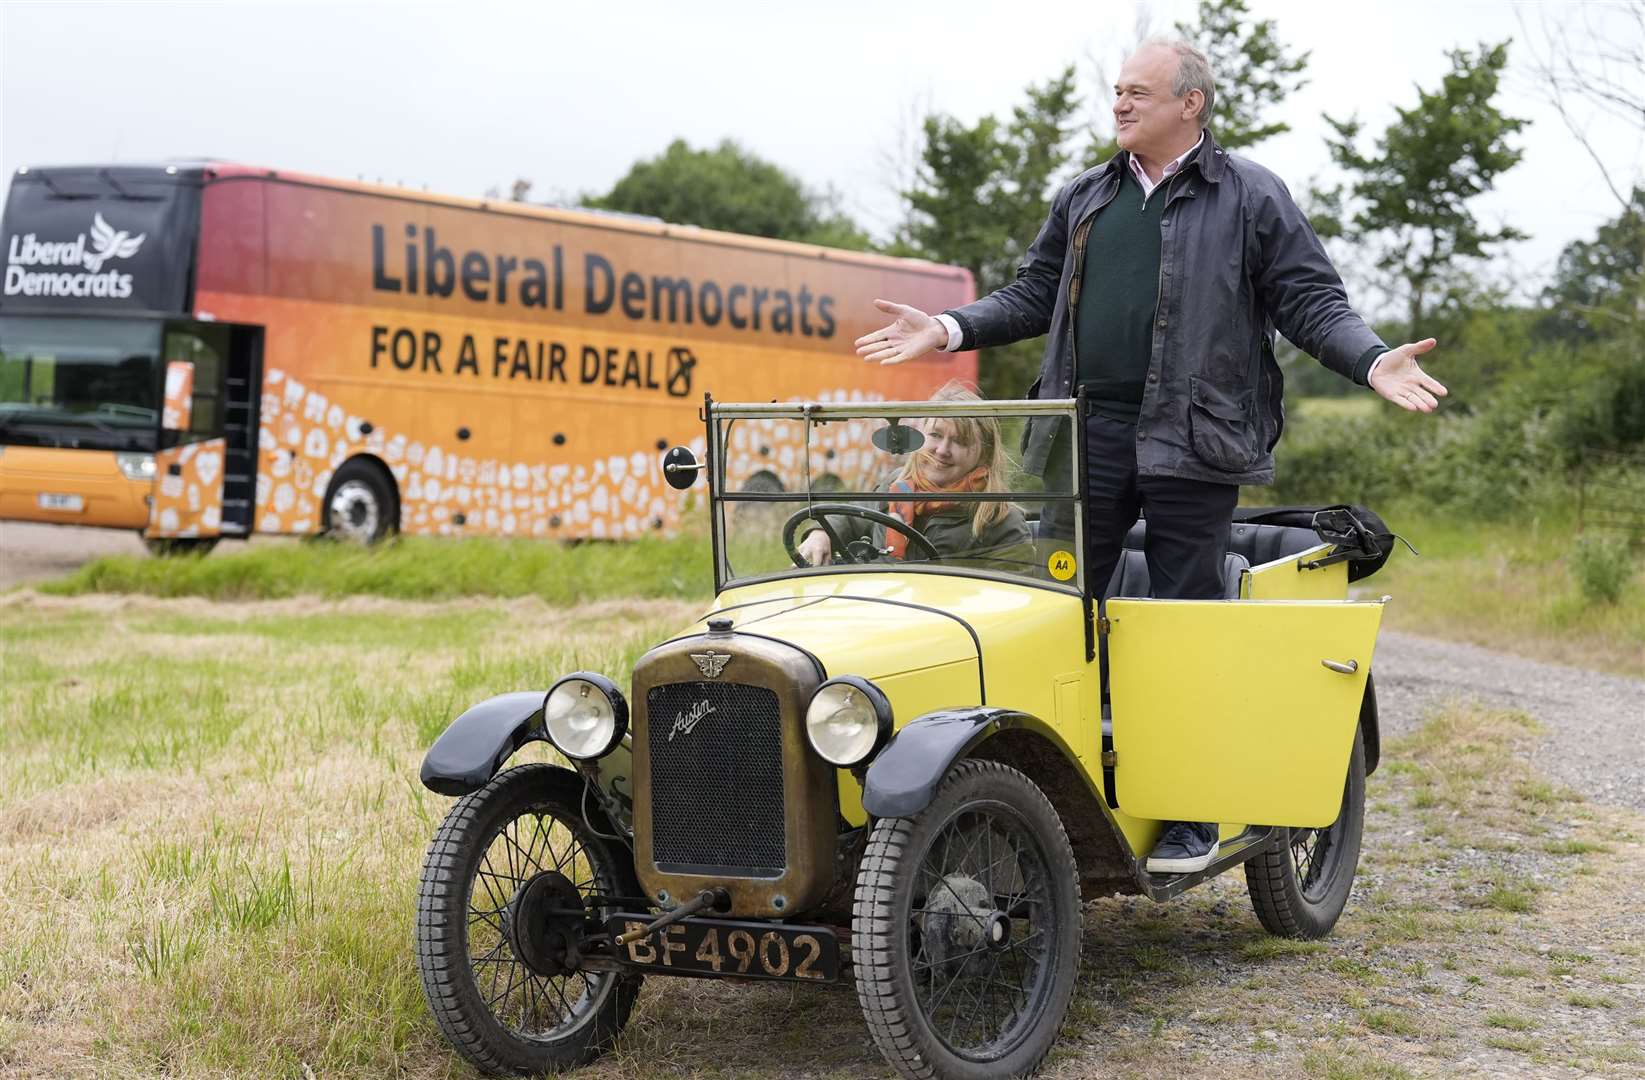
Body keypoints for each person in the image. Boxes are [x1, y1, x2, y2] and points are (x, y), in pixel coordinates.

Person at [854, 38, 1448, 876]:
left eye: (1137, 92)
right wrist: (947, 328)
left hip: (1193, 439)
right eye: (1116, 91)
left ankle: (1186, 813)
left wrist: (1369, 357)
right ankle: (1046, 806)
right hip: (1084, 435)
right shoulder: (1086, 196)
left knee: (1179, 626)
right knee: (1052, 610)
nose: (1120, 104)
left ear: (1190, 104)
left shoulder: (1249, 196)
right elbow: (1033, 291)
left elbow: (1310, 299)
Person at [798, 382, 1031, 568]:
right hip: (876, 610)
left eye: (960, 441)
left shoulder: (1000, 518)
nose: (942, 451)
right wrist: (821, 533)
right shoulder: (896, 484)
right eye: (936, 435)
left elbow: (1009, 603)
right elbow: (850, 517)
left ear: (984, 453)